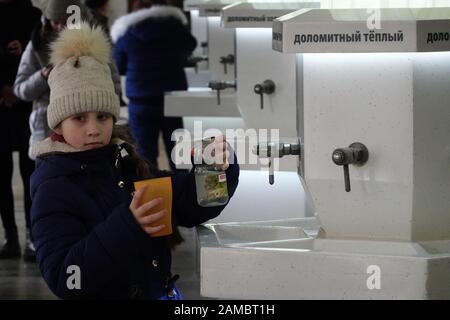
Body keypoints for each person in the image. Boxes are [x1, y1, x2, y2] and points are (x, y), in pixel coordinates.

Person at [30, 23, 239, 299]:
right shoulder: (53, 187)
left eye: (103, 117)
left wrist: (215, 169)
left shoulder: (125, 162)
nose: (93, 129)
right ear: (58, 124)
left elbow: (190, 204)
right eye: (79, 118)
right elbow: (66, 278)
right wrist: (129, 225)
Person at [14, 0, 122, 160]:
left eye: (67, 22)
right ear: (47, 21)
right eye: (55, 22)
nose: (60, 28)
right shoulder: (37, 44)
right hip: (45, 127)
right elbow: (21, 89)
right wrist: (42, 77)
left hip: (92, 132)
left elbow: (114, 85)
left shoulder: (96, 46)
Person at [111, 0, 197, 171]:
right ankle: (181, 191)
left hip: (141, 99)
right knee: (177, 150)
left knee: (145, 152)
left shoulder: (128, 30)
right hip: (172, 98)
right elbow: (190, 45)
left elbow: (119, 64)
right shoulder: (174, 25)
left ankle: (154, 190)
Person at [0, 0, 41, 261]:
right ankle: (11, 237)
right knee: (1, 178)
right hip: (2, 103)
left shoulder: (35, 15)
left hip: (27, 105)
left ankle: (32, 238)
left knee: (31, 177)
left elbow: (45, 55)